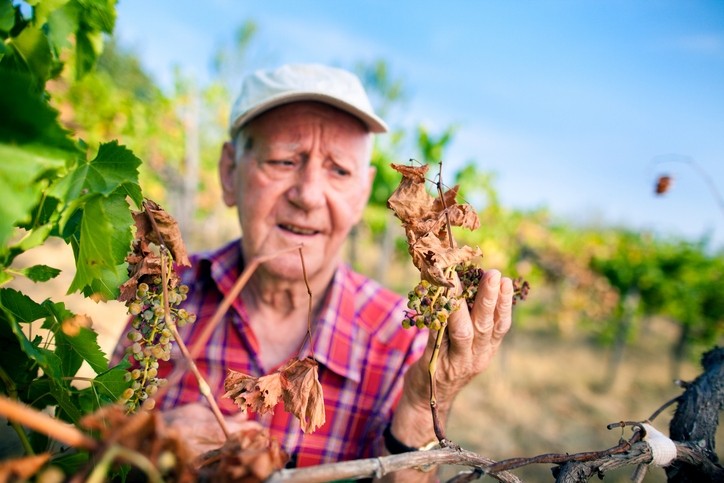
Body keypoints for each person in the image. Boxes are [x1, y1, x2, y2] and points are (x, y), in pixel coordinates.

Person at [113, 63, 514, 479]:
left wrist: (419, 406)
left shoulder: (403, 339)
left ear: (362, 194)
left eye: (339, 170)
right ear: (229, 172)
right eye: (284, 160)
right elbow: (92, 445)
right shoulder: (164, 293)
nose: (307, 195)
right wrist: (149, 440)